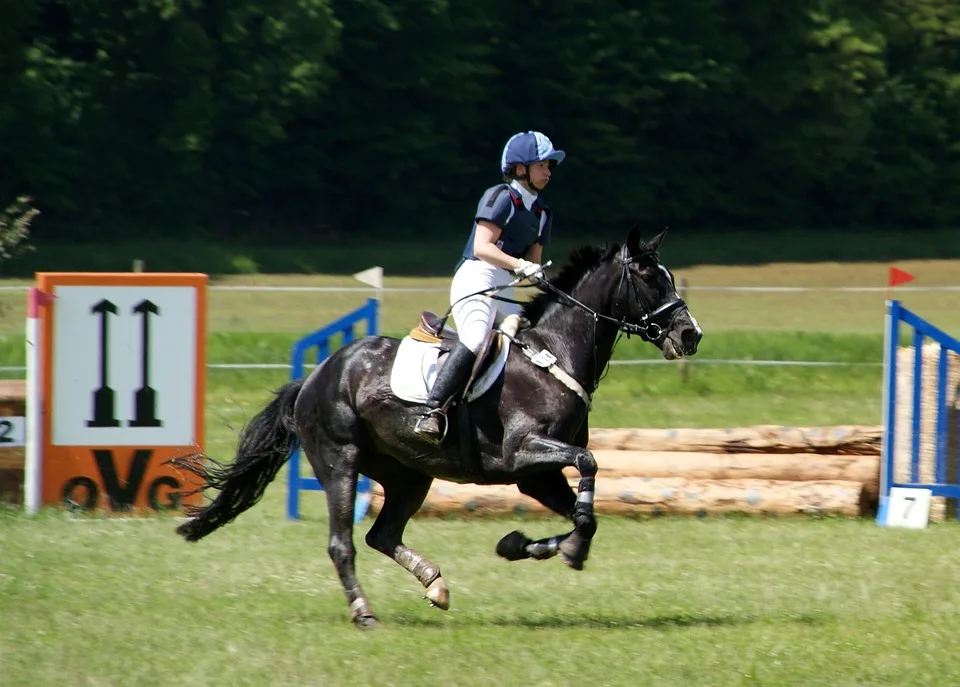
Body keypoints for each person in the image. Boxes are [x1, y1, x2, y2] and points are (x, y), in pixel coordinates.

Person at [414, 131, 565, 444]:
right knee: (475, 337)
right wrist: (521, 265)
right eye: (542, 165)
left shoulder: (542, 212)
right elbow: (483, 247)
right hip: (476, 279)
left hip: (503, 288)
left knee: (539, 332)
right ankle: (433, 410)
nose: (548, 171)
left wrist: (540, 277)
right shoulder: (499, 197)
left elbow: (533, 261)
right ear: (520, 168)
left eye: (550, 166)